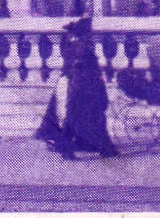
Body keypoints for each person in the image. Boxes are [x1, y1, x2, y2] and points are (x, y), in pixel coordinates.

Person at [36, 16, 119, 159]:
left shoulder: (74, 44)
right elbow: (81, 68)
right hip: (79, 87)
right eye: (88, 32)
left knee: (79, 118)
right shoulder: (80, 46)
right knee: (85, 118)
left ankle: (82, 148)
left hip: (77, 85)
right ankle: (100, 148)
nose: (90, 35)